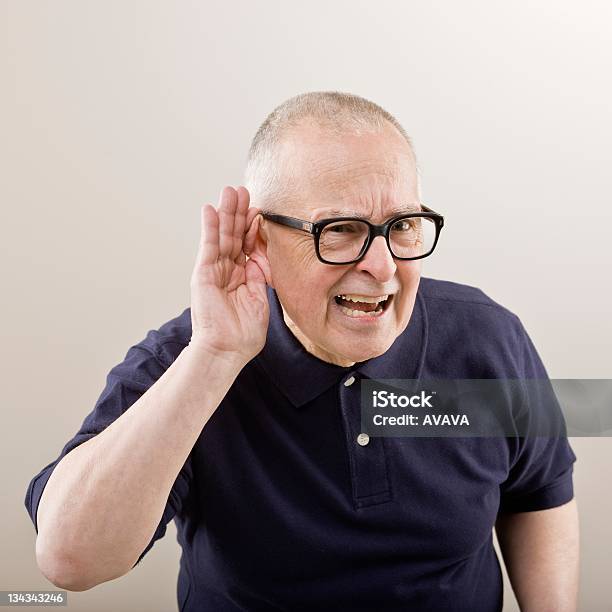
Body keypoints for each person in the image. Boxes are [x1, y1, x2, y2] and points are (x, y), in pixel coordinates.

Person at [25, 91, 579, 612]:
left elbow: (537, 491)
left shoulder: (487, 338)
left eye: (403, 226)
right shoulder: (191, 357)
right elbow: (71, 561)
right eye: (340, 230)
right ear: (260, 239)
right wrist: (214, 357)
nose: (382, 268)